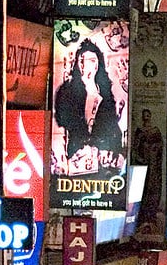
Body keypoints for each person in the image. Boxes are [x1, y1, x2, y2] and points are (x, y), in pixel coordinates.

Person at [53, 38, 125, 176]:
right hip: (75, 159)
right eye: (84, 60)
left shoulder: (105, 92)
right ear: (78, 64)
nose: (90, 64)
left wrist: (116, 153)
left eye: (94, 60)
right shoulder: (67, 90)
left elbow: (112, 127)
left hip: (100, 164)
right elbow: (60, 125)